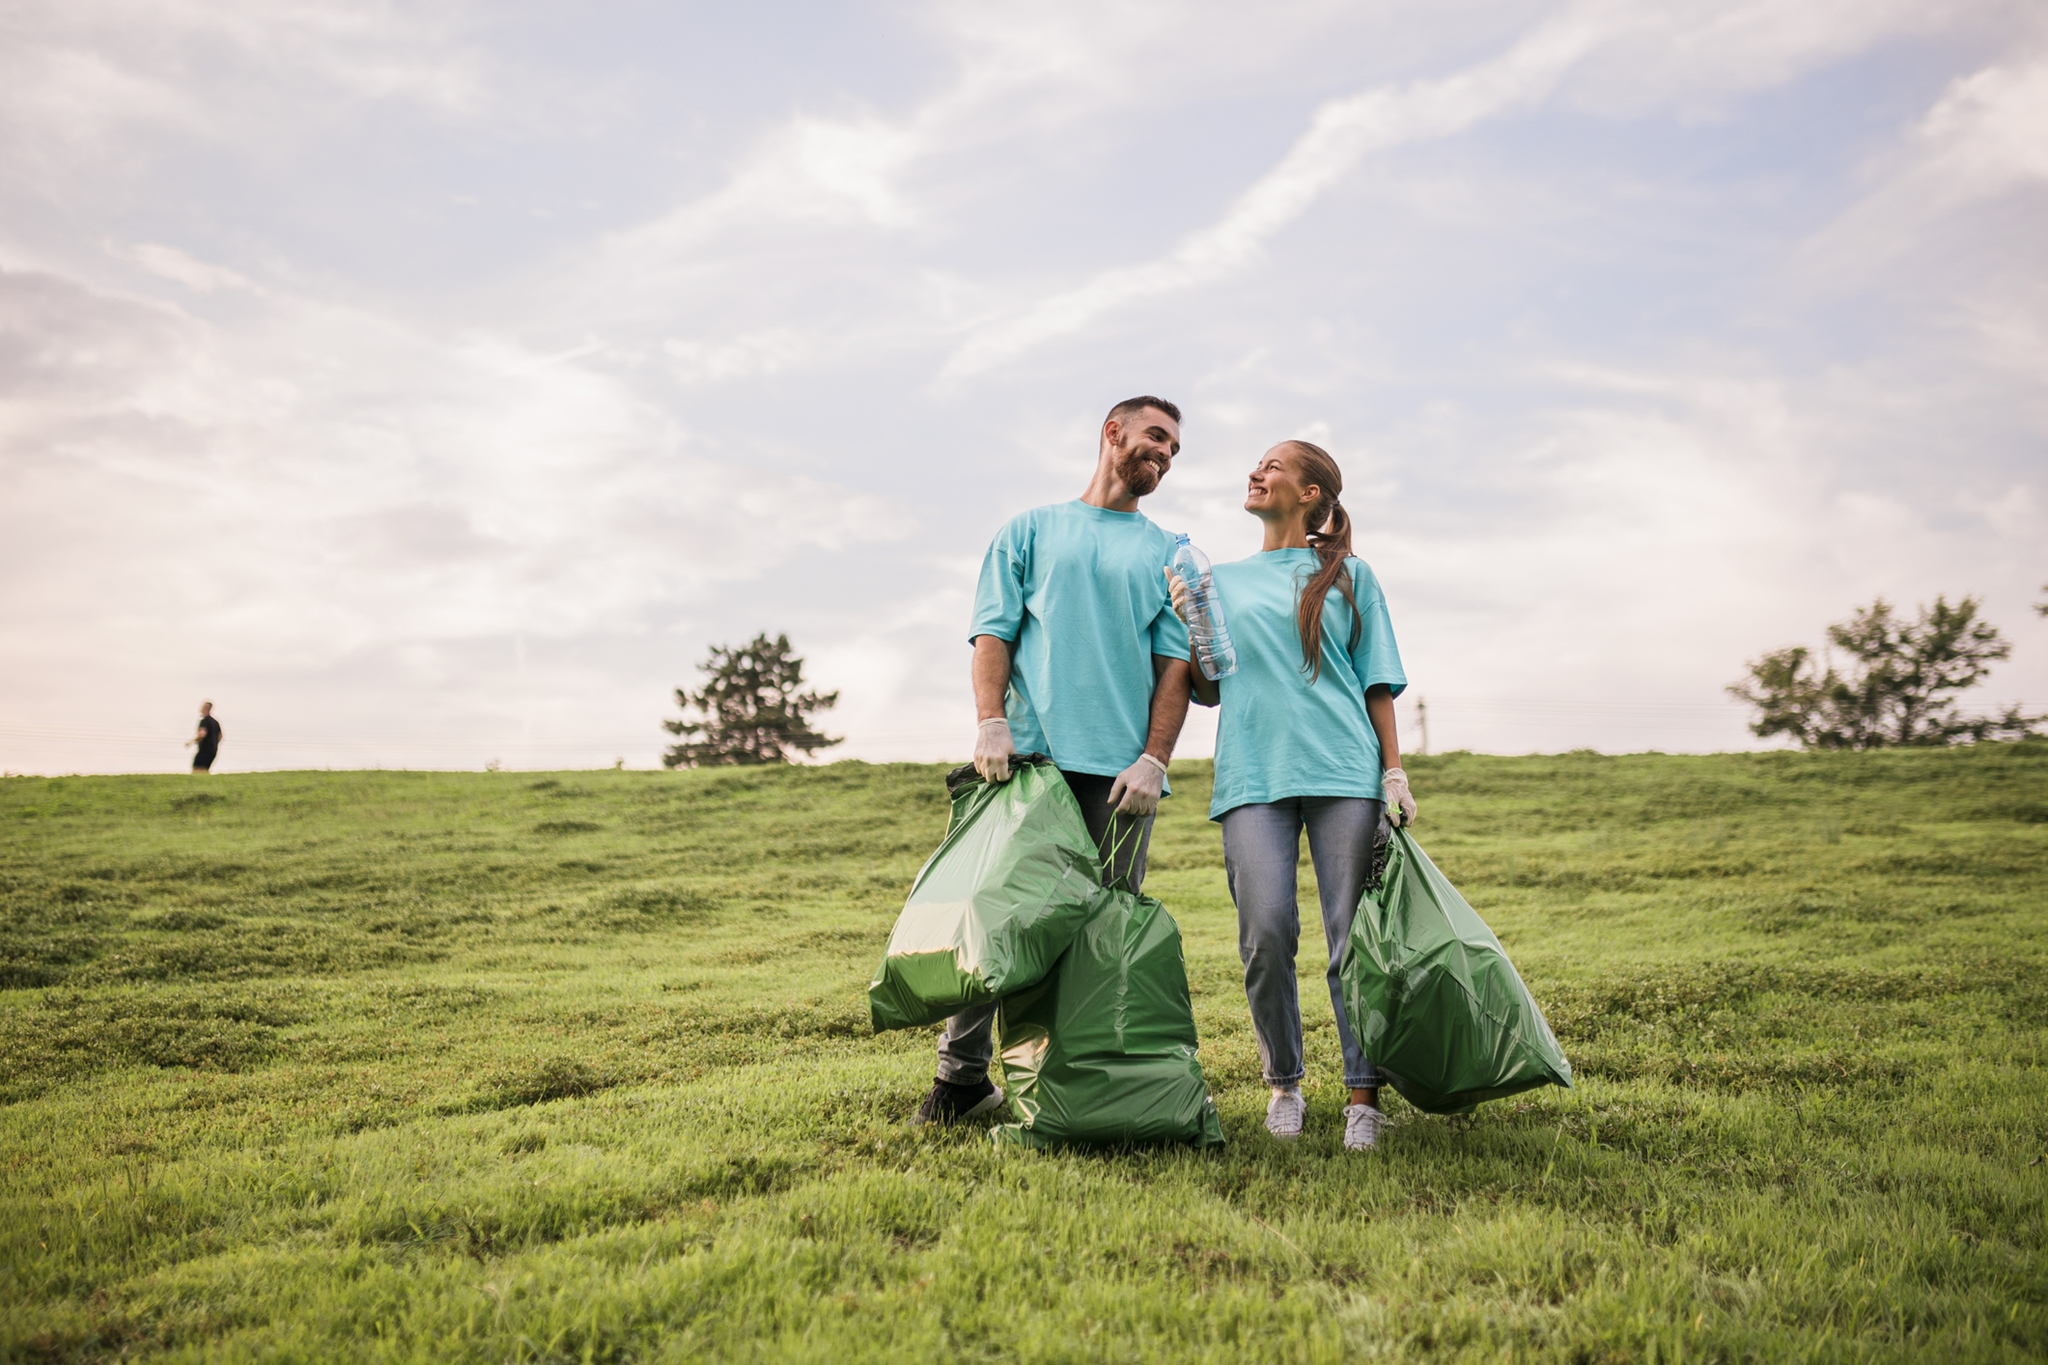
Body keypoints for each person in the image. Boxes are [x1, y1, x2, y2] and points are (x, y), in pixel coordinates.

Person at [913, 396, 1196, 1125]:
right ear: (1113, 433)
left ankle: (1077, 1092)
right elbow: (992, 637)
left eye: (1174, 448)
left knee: (1100, 934)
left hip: (1121, 779)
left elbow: (1175, 669)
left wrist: (1155, 760)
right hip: (1031, 767)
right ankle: (961, 1083)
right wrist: (990, 723)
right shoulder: (1030, 531)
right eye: (1155, 437)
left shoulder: (1170, 550)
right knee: (997, 920)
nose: (1164, 454)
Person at [1169, 440, 1414, 1152]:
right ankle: (1285, 1082)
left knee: (1352, 942)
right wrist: (1193, 624)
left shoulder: (1349, 576)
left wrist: (1393, 771)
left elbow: (1377, 680)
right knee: (1267, 933)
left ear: (1310, 493)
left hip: (1344, 769)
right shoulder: (1220, 579)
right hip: (1252, 776)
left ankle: (1364, 1097)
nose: (1256, 471)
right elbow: (1211, 688)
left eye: (1273, 464)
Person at [185, 701, 222, 773]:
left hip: (204, 750)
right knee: (204, 770)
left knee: (197, 769)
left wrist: (191, 742)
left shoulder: (204, 721)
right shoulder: (215, 722)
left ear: (205, 708)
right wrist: (214, 743)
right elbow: (220, 736)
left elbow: (202, 734)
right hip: (213, 750)